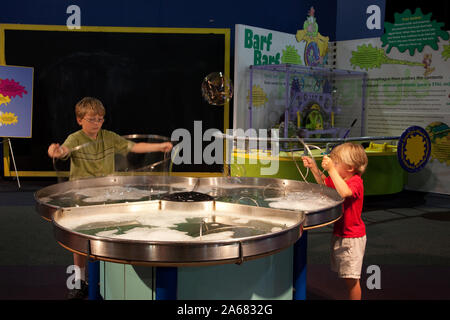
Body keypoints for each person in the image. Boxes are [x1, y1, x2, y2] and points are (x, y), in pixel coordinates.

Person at [48, 97, 173, 299]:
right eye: (91, 119)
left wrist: (159, 148)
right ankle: (79, 281)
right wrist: (55, 151)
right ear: (80, 120)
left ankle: (104, 277)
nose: (96, 123)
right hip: (82, 197)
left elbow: (133, 147)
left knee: (105, 234)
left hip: (106, 194)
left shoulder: (109, 137)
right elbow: (63, 151)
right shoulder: (75, 138)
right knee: (81, 240)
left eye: (100, 119)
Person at [302, 142, 368, 300]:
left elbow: (344, 192)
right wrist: (314, 168)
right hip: (340, 234)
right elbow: (325, 185)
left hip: (352, 238)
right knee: (347, 277)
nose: (332, 165)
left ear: (350, 167)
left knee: (352, 280)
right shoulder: (341, 180)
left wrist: (331, 169)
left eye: (336, 163)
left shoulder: (356, 182)